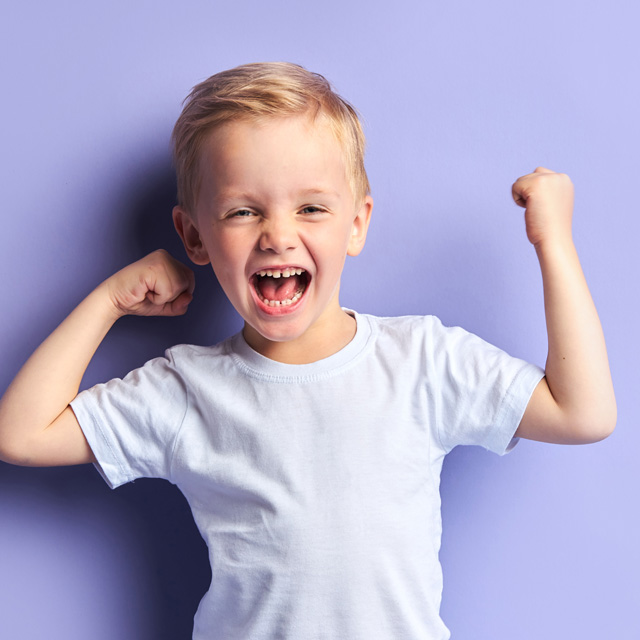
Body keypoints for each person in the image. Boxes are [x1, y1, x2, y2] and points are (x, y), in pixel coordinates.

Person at [0, 62, 616, 639]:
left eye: (312, 208)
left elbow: (582, 413)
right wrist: (108, 300)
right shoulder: (185, 389)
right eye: (243, 211)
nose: (278, 235)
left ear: (357, 223)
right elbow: (22, 435)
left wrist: (552, 241)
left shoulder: (422, 361)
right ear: (194, 235)